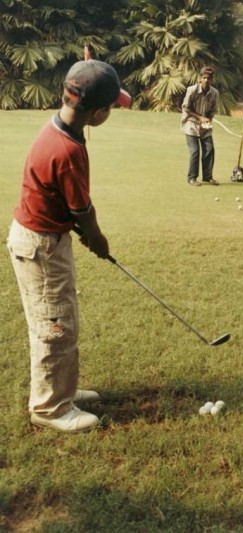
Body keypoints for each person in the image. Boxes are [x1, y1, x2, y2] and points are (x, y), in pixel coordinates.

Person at [6, 59, 132, 433]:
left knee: (60, 317)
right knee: (55, 324)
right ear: (97, 113)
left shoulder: (59, 127)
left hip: (43, 236)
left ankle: (64, 390)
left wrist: (80, 229)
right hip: (41, 245)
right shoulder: (68, 150)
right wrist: (97, 240)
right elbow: (83, 211)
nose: (111, 112)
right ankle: (50, 409)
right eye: (110, 107)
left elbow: (66, 204)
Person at [181, 66, 219, 186]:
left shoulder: (215, 93)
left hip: (204, 126)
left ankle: (208, 177)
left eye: (209, 78)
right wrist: (200, 117)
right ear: (200, 79)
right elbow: (186, 108)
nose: (206, 80)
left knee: (209, 149)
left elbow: (213, 110)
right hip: (190, 123)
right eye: (204, 78)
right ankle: (192, 178)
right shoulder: (191, 90)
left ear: (212, 80)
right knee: (195, 151)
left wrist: (208, 121)